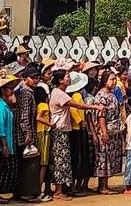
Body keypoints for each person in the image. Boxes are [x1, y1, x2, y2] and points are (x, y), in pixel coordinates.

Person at [48, 69, 103, 201]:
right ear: (61, 80)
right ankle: (59, 191)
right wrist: (95, 107)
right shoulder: (60, 93)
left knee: (63, 160)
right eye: (67, 76)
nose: (69, 78)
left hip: (62, 130)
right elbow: (77, 105)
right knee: (60, 160)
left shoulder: (59, 92)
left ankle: (60, 189)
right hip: (60, 131)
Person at [14, 64, 40, 202]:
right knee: (27, 165)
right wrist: (28, 133)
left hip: (23, 134)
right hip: (24, 135)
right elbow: (24, 115)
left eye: (37, 78)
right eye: (33, 78)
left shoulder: (27, 91)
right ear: (25, 78)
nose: (35, 80)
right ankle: (25, 193)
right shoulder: (25, 93)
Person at [94, 71, 123, 194]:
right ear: (105, 81)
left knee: (109, 157)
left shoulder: (112, 95)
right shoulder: (101, 96)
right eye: (112, 79)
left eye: (115, 79)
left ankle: (105, 185)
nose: (114, 81)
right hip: (105, 130)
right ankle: (102, 186)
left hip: (114, 130)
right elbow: (101, 116)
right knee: (104, 157)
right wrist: (104, 132)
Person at [34, 84, 53, 202]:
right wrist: (51, 124)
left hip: (39, 132)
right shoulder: (44, 105)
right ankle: (39, 190)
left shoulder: (38, 105)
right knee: (44, 163)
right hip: (44, 133)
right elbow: (38, 118)